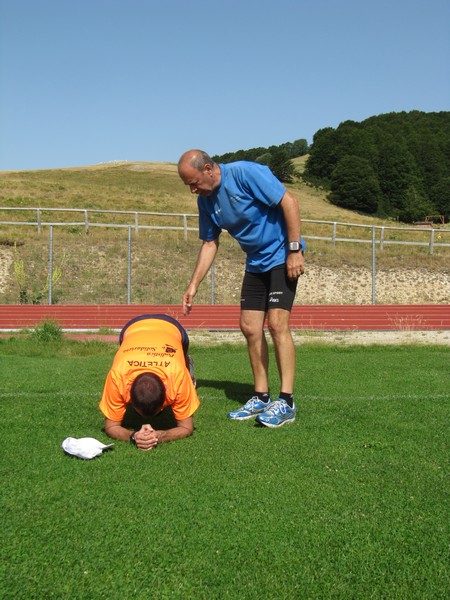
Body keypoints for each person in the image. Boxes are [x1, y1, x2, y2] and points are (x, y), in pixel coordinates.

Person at [177, 149, 305, 428]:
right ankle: (261, 396)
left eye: (194, 182)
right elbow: (210, 243)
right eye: (188, 185)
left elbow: (289, 201)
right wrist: (193, 285)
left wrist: (294, 249)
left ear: (209, 169)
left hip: (282, 256)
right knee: (249, 326)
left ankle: (286, 401)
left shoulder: (246, 173)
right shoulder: (206, 201)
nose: (193, 190)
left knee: (277, 324)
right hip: (256, 263)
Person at [98, 314, 199, 450]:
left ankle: (187, 363)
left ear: (166, 386)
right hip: (132, 329)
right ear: (127, 390)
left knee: (184, 367)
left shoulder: (179, 374)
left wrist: (160, 435)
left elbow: (187, 427)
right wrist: (133, 436)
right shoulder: (118, 374)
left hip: (173, 329)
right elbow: (110, 427)